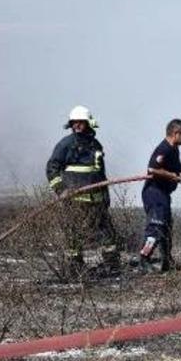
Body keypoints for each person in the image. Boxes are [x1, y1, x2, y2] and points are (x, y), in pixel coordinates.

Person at [45, 105, 120, 277]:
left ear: (88, 123)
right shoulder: (65, 144)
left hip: (97, 201)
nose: (77, 125)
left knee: (107, 234)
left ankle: (112, 265)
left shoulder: (95, 144)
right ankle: (75, 268)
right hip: (76, 202)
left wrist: (106, 197)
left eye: (81, 122)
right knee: (74, 235)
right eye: (74, 122)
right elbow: (52, 168)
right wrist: (60, 190)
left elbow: (100, 173)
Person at [138, 118, 181, 272]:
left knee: (166, 228)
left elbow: (175, 165)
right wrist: (176, 177)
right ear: (175, 133)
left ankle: (167, 261)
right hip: (154, 192)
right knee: (156, 226)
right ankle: (144, 260)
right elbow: (152, 169)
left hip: (163, 193)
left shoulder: (174, 149)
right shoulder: (164, 149)